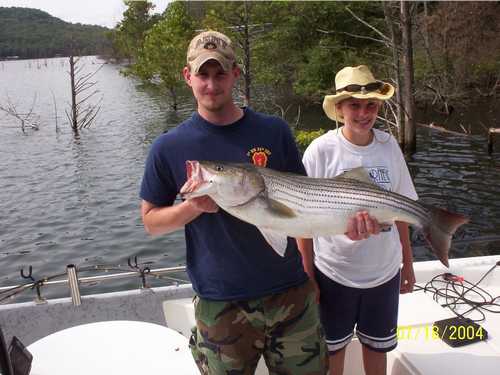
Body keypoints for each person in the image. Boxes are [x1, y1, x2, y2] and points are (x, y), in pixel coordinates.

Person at [139, 30, 329, 374]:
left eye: (220, 73)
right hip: (220, 303)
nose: (212, 84)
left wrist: (308, 271)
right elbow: (151, 222)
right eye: (203, 74)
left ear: (235, 74)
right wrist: (191, 207)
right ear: (188, 77)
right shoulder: (168, 147)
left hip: (290, 294)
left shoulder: (274, 131)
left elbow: (302, 205)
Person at [297, 65, 417, 375]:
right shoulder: (320, 152)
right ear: (338, 108)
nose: (363, 113)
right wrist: (308, 274)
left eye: (371, 105)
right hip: (334, 274)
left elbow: (401, 210)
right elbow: (302, 221)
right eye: (354, 105)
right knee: (333, 353)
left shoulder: (389, 146)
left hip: (384, 273)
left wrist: (408, 264)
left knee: (378, 349)